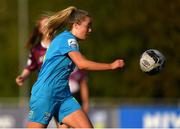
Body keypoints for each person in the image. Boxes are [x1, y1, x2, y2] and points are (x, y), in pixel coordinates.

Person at [27, 6, 125, 128]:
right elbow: (82, 64)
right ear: (76, 25)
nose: (90, 30)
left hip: (63, 96)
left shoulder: (70, 41)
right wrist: (111, 65)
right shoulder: (67, 39)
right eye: (88, 26)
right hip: (45, 94)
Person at [15, 16, 50, 86]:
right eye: (45, 25)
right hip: (44, 87)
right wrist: (22, 77)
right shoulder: (36, 50)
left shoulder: (61, 44)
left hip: (62, 87)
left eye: (50, 24)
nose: (48, 27)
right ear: (40, 30)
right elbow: (29, 67)